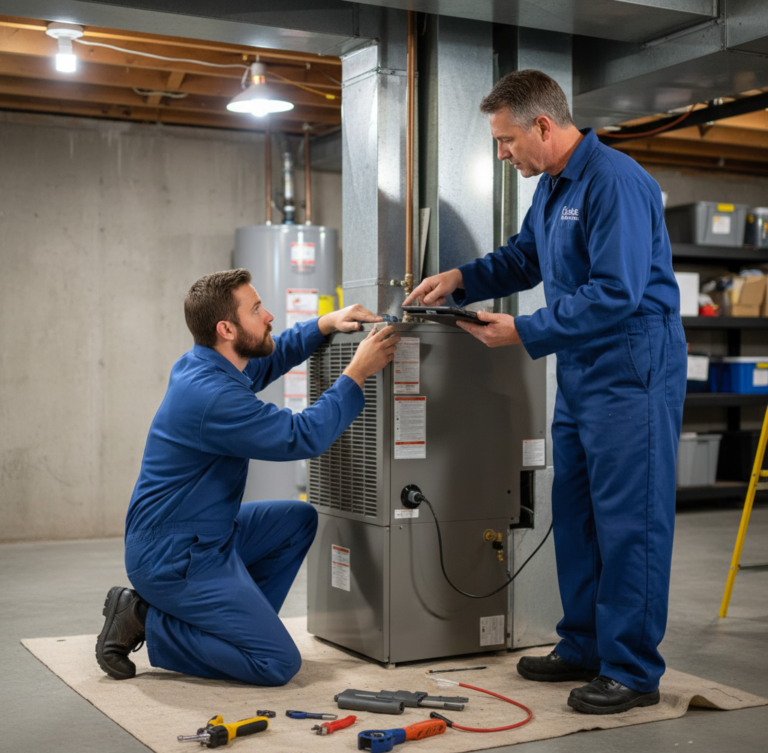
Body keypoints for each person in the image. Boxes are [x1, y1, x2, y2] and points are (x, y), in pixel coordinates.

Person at [404, 70, 687, 715]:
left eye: (506, 141)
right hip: (584, 365)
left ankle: (634, 670)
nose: (503, 154)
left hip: (632, 367)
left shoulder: (615, 181)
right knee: (577, 512)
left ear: (543, 125)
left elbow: (618, 292)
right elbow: (525, 259)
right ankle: (585, 645)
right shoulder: (556, 187)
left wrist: (526, 329)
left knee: (630, 521)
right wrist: (460, 279)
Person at [96, 268, 398, 686]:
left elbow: (269, 357)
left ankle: (237, 629)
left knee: (297, 520)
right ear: (227, 328)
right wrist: (356, 374)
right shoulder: (212, 395)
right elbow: (301, 436)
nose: (269, 314)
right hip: (174, 556)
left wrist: (325, 324)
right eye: (256, 309)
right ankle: (144, 619)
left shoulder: (208, 364)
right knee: (276, 664)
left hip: (204, 535)